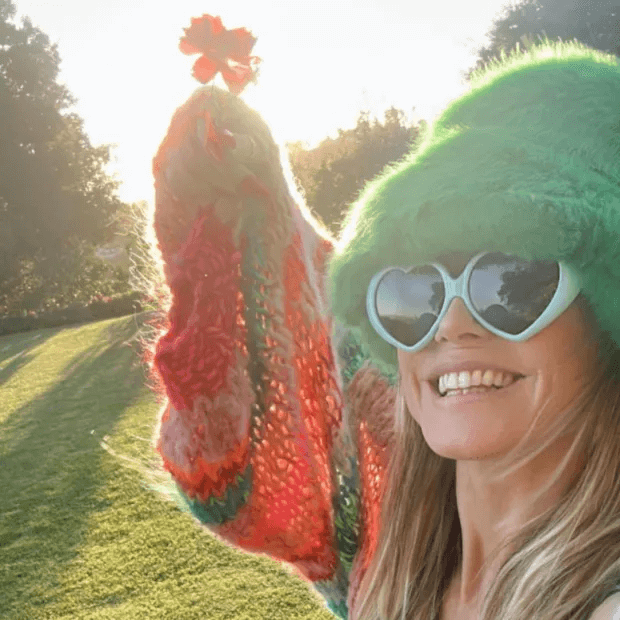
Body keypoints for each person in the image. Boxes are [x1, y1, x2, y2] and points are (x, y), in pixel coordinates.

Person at [145, 14, 620, 620]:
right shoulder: (385, 561)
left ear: (607, 325)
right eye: (409, 293)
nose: (449, 324)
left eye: (510, 279)